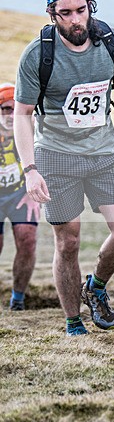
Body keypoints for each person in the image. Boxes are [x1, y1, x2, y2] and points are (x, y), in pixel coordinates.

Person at [15, 0, 114, 336]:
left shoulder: (110, 42)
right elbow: (22, 114)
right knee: (69, 239)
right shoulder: (37, 55)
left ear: (89, 5)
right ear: (52, 14)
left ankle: (96, 286)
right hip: (55, 156)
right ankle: (73, 321)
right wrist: (30, 168)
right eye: (67, 13)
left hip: (104, 152)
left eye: (82, 10)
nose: (77, 19)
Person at [0, 84, 40, 310]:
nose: (11, 114)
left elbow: (45, 156)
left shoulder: (30, 127)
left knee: (27, 239)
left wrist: (31, 192)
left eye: (15, 109)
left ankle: (18, 299)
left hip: (21, 193)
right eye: (6, 108)